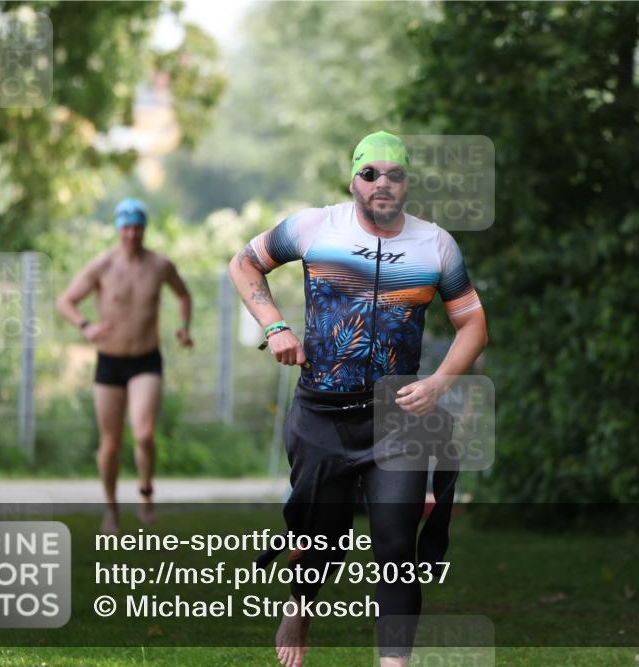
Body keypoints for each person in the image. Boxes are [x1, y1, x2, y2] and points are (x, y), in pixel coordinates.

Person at [228, 131, 487, 667]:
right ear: (353, 179)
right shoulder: (313, 227)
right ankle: (300, 606)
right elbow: (244, 263)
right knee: (320, 545)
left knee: (395, 549)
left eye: (394, 174)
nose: (382, 184)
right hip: (321, 414)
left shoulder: (435, 244)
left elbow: (472, 323)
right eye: (371, 174)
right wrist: (275, 326)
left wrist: (438, 383)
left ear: (408, 182)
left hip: (399, 418)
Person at [56, 198, 193, 534]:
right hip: (110, 362)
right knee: (111, 443)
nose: (132, 234)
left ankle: (145, 494)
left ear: (144, 229)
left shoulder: (160, 265)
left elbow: (183, 295)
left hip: (146, 360)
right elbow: (65, 301)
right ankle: (111, 510)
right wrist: (86, 327)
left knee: (144, 434)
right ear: (118, 229)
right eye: (126, 227)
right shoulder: (102, 265)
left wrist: (184, 327)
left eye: (138, 227)